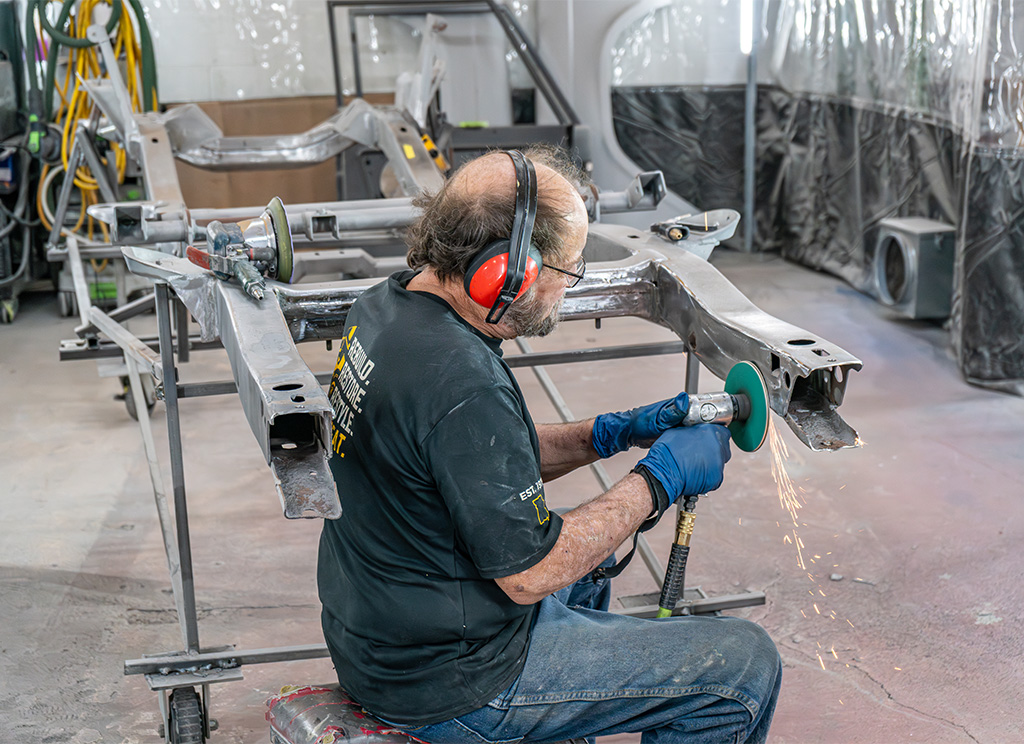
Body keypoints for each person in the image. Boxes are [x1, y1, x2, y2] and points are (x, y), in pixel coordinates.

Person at [318, 147, 781, 744]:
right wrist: (656, 482)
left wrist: (609, 433)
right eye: (568, 272)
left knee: (587, 576)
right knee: (741, 665)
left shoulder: (388, 307)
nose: (569, 289)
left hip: (382, 634)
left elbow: (475, 460)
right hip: (452, 683)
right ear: (506, 272)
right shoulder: (461, 379)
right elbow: (530, 575)